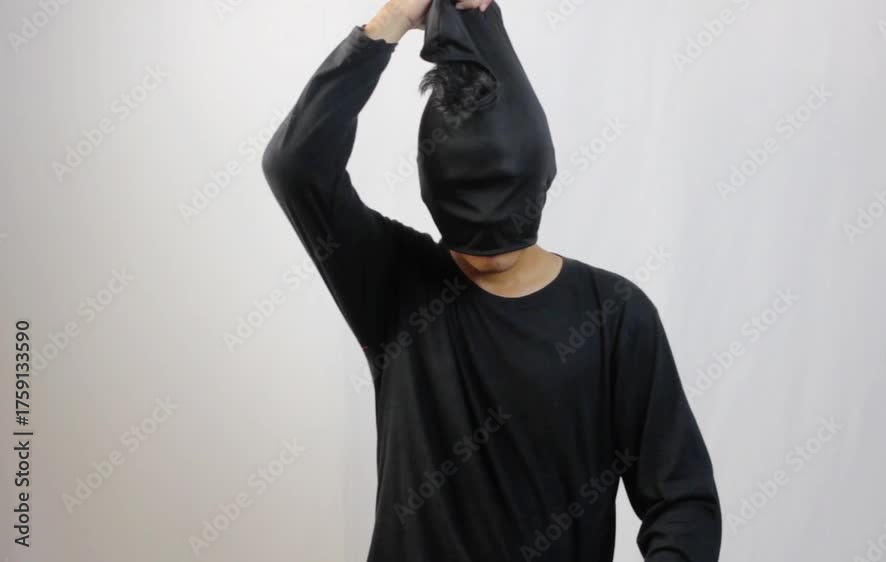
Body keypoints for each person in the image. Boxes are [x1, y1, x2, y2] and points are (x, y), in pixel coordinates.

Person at [261, 0, 722, 560]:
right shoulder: (394, 285)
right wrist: (391, 22)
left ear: (538, 173)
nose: (487, 245)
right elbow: (295, 166)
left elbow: (681, 501)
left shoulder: (615, 315)